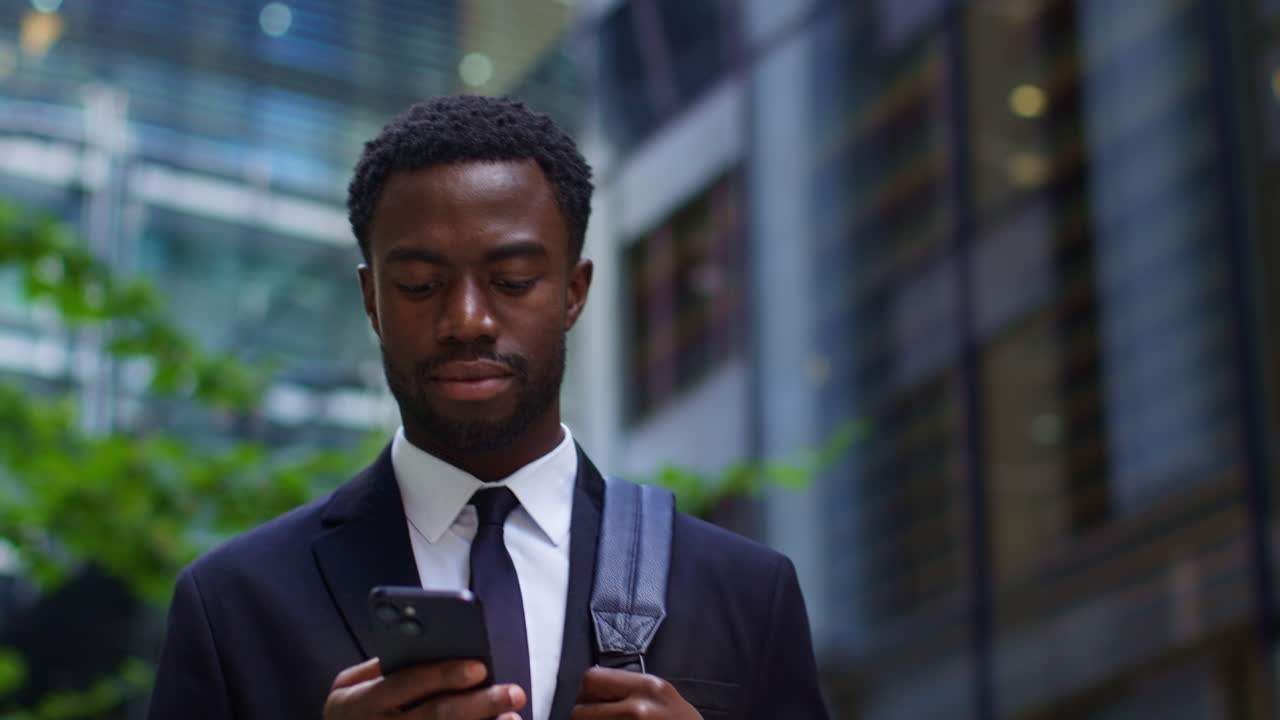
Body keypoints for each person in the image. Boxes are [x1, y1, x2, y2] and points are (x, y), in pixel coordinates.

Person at [146, 94, 829, 720]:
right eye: (419, 285)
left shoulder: (746, 592)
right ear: (371, 300)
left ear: (573, 291)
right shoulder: (232, 605)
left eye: (511, 280)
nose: (467, 320)